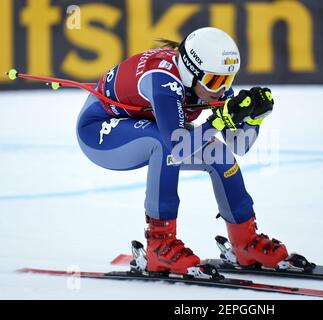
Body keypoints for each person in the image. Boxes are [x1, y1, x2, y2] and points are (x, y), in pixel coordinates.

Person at [76, 27, 289, 274]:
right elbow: (177, 147)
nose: (221, 89)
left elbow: (238, 146)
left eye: (227, 80)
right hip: (98, 131)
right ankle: (159, 243)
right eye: (215, 81)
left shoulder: (209, 80)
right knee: (163, 144)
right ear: (191, 73)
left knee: (218, 154)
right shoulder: (162, 81)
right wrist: (217, 122)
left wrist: (254, 119)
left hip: (144, 126)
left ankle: (245, 241)